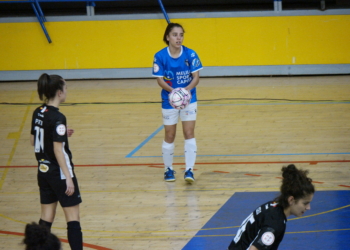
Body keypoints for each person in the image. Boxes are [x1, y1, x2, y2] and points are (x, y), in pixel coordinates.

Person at [30, 73, 83, 250]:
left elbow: (33, 140)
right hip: (59, 173)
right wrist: (68, 177)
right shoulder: (58, 117)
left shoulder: (38, 112)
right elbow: (58, 150)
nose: (67, 91)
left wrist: (59, 133)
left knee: (46, 218)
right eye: (65, 88)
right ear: (59, 92)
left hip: (43, 172)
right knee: (73, 219)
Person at [152, 22, 203, 183]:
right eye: (175, 35)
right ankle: (168, 169)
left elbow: (196, 78)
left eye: (181, 34)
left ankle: (189, 170)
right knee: (170, 134)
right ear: (167, 37)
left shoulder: (191, 54)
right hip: (169, 100)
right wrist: (173, 92)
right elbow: (159, 80)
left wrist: (185, 92)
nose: (178, 38)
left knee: (189, 133)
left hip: (189, 99)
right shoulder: (160, 56)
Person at [228, 164, 315, 250]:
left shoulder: (272, 205)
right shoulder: (275, 224)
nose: (308, 207)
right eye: (305, 203)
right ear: (291, 200)